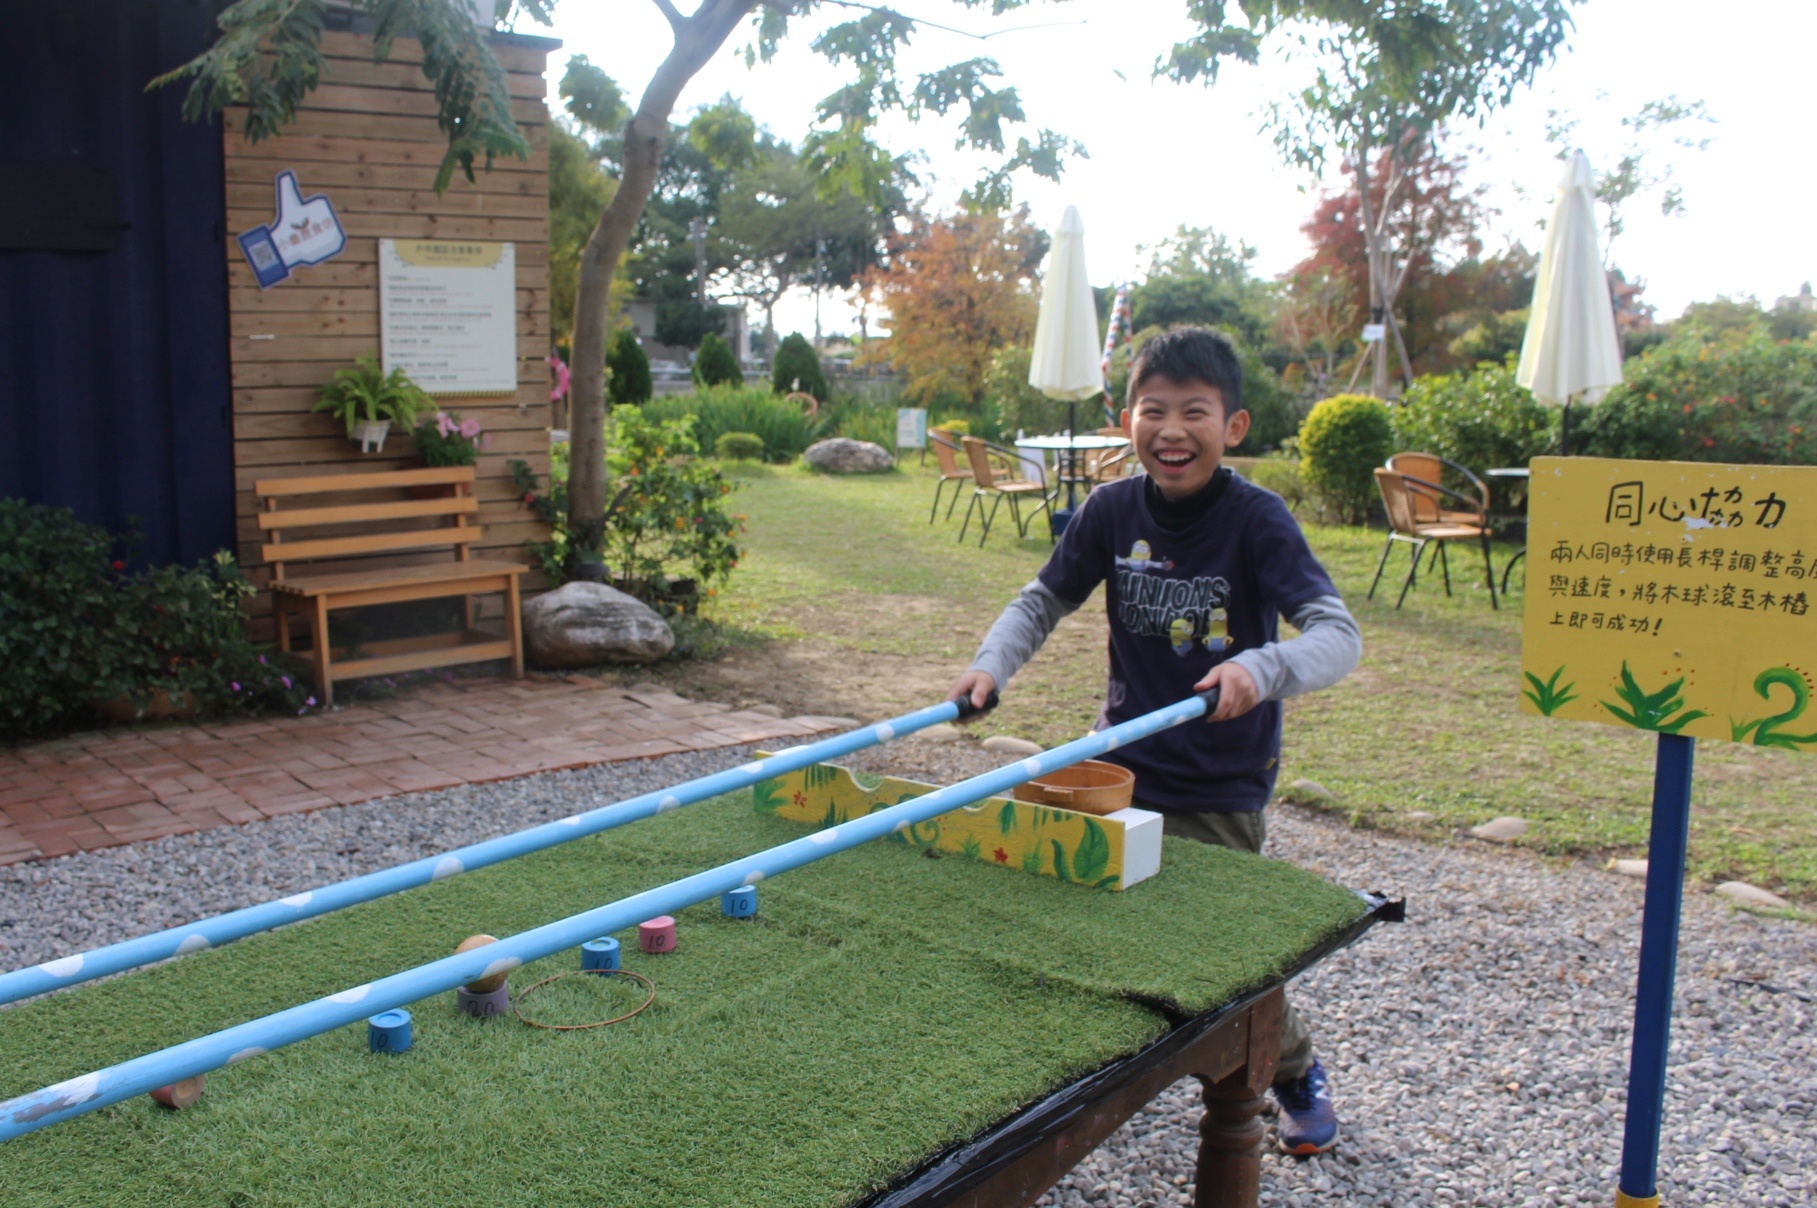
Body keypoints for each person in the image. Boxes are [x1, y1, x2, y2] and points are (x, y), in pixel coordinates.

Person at [948, 326, 1362, 1155]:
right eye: (1154, 410)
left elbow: (1336, 633)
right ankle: (1082, 1067)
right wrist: (989, 668)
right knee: (1079, 910)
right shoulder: (1109, 509)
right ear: (1128, 418)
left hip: (1219, 781)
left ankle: (1294, 1066)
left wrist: (1264, 666)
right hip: (1118, 762)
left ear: (1232, 427)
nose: (1171, 431)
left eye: (1194, 412)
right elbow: (1040, 602)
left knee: (1225, 957)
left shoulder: (1257, 519)